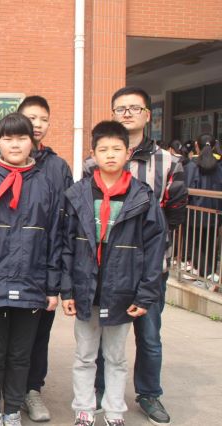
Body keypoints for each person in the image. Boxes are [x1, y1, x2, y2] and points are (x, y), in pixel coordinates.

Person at [85, 87, 187, 426]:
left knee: (149, 334)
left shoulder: (169, 162)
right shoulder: (91, 164)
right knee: (104, 333)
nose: (127, 113)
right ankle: (101, 391)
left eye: (134, 108)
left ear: (147, 115)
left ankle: (148, 393)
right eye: (120, 109)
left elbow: (174, 214)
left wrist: (146, 249)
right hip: (105, 269)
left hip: (148, 269)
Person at [62, 121, 166, 426]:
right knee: (85, 355)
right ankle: (84, 408)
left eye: (116, 149)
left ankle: (114, 412)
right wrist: (67, 290)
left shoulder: (142, 197)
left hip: (122, 291)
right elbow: (66, 246)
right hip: (86, 289)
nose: (110, 155)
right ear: (93, 153)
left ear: (128, 153)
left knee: (116, 357)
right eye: (103, 149)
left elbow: (154, 250)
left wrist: (145, 294)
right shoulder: (78, 194)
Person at [0, 113, 61, 426]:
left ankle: (13, 409)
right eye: (8, 138)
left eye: (21, 138)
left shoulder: (46, 184)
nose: (15, 144)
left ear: (33, 142)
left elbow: (54, 239)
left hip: (32, 284)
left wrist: (53, 287)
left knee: (20, 355)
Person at [17, 95, 73, 422]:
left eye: (43, 119)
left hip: (44, 266)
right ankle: (9, 390)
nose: (37, 124)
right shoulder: (1, 164)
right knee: (10, 337)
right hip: (9, 267)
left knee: (39, 334)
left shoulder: (57, 167)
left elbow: (66, 222)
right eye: (31, 118)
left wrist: (60, 276)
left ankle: (32, 390)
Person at [183, 133, 222, 279]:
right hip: (214, 212)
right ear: (213, 146)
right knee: (210, 243)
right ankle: (210, 272)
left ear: (196, 146)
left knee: (195, 242)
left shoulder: (191, 166)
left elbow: (186, 189)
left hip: (194, 213)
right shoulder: (218, 167)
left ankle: (201, 271)